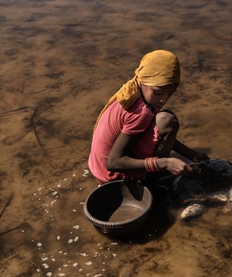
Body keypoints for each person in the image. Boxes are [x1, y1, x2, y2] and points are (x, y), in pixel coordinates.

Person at [88, 50, 208, 185]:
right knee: (168, 120)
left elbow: (157, 134)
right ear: (144, 81)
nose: (163, 100)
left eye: (169, 94)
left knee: (163, 121)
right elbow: (114, 163)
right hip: (113, 177)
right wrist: (164, 163)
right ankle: (152, 179)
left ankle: (153, 170)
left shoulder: (132, 92)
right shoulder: (140, 112)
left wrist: (191, 154)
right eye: (158, 93)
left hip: (98, 168)